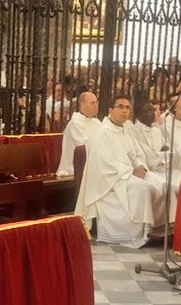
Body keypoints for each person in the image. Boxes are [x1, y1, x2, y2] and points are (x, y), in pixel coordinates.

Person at [75, 95, 169, 247]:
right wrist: (130, 171)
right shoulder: (101, 133)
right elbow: (104, 166)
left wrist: (140, 167)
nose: (125, 111)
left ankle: (160, 229)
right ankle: (142, 232)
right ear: (110, 110)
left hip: (130, 174)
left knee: (163, 184)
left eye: (127, 107)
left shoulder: (127, 131)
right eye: (120, 107)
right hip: (113, 181)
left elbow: (138, 154)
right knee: (143, 188)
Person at [56, 91, 103, 176]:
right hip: (74, 170)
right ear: (83, 105)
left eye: (97, 102)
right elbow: (84, 147)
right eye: (92, 103)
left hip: (95, 165)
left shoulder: (97, 122)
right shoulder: (75, 124)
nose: (96, 105)